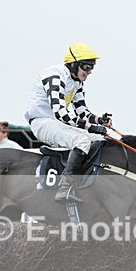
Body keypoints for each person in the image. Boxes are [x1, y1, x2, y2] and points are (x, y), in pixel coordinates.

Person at [23, 43, 113, 202]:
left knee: (101, 140)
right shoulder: (55, 76)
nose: (89, 71)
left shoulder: (77, 81)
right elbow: (61, 113)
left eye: (92, 67)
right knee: (82, 140)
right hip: (42, 122)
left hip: (57, 122)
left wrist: (100, 120)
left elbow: (82, 111)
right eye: (86, 66)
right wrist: (90, 127)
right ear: (73, 64)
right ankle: (64, 188)